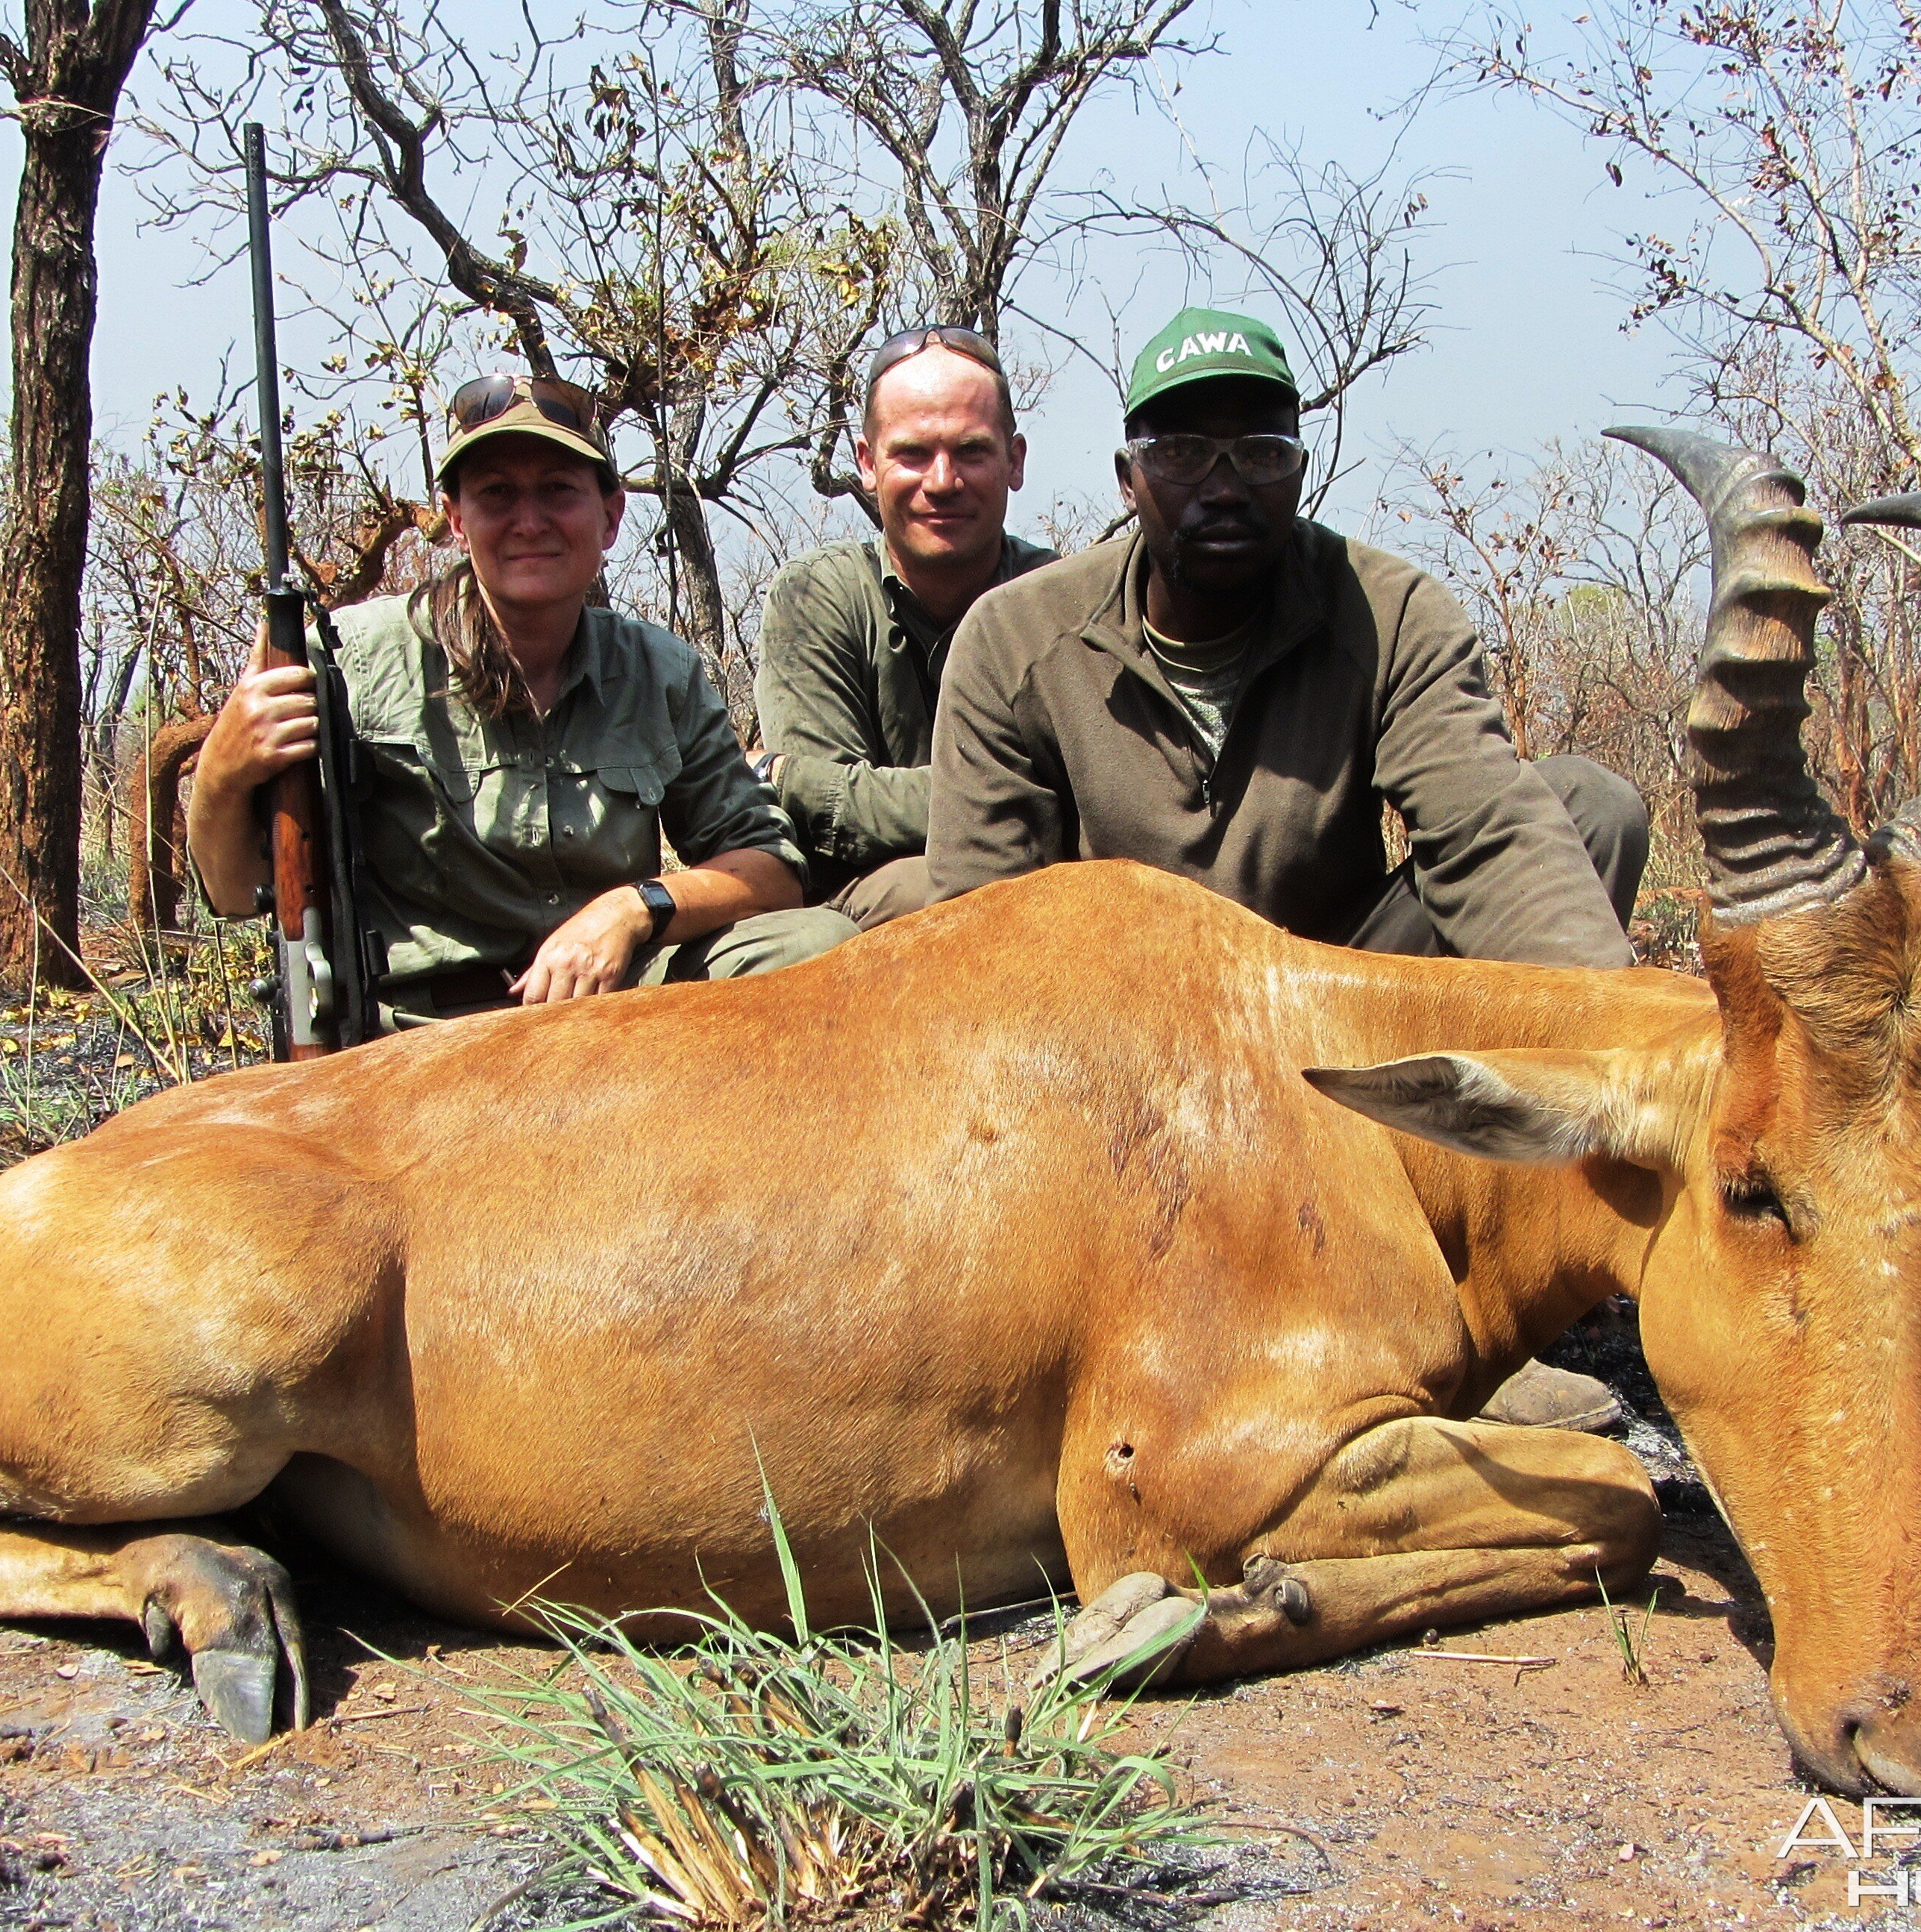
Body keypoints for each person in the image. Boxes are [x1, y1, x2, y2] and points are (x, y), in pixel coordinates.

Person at [925, 307, 1652, 1431]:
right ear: (1127, 476)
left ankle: (1490, 1277)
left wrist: (1645, 1062)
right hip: (1135, 1081)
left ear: (1300, 468)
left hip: (1340, 1040)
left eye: (1258, 453)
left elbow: (1489, 828)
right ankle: (1338, 1323)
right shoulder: (1015, 638)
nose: (1222, 484)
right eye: (1180, 455)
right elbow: (979, 941)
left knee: (1585, 809)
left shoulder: (1389, 610)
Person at [189, 373, 856, 1025]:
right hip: (424, 1045)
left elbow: (771, 868)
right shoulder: (347, 659)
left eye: (558, 491)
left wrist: (629, 909)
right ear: (455, 517)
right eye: (497, 494)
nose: (529, 521)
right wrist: (222, 774)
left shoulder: (661, 671)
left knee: (813, 944)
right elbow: (234, 891)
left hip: (612, 1012)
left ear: (610, 516)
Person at [752, 326, 1056, 928]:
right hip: (873, 908)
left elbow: (818, 791)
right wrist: (1014, 797)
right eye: (913, 453)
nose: (942, 482)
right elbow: (826, 830)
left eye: (971, 451)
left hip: (1045, 889)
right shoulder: (816, 594)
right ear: (867, 463)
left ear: (1014, 461)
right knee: (937, 893)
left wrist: (786, 778)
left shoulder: (1059, 601)